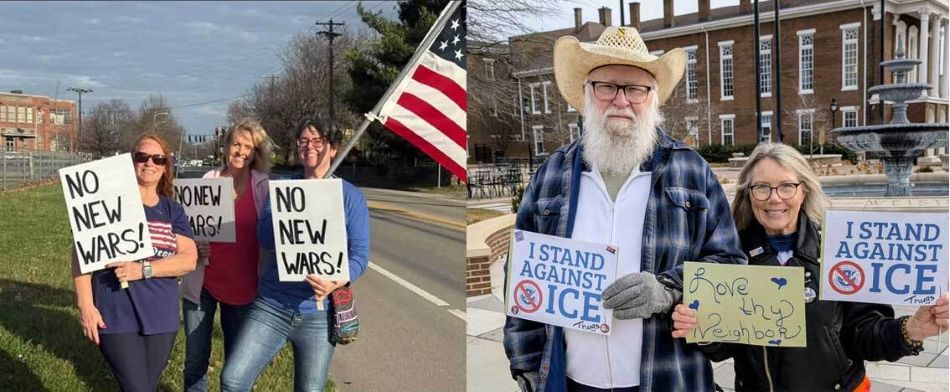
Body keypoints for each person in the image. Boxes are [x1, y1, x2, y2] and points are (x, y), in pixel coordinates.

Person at [503, 26, 746, 392]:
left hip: (669, 378)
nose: (621, 100)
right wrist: (525, 369)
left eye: (635, 88)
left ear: (653, 98)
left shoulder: (692, 171)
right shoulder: (551, 174)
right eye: (607, 86)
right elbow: (519, 278)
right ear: (586, 93)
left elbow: (730, 266)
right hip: (571, 382)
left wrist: (668, 290)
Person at [670, 143, 950, 391]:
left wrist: (912, 329)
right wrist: (701, 328)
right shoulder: (731, 255)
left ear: (803, 190)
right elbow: (723, 348)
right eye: (762, 187)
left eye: (786, 186)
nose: (774, 198)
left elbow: (865, 333)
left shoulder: (839, 249)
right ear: (749, 194)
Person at [220, 117, 370, 392]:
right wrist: (289, 208)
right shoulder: (283, 189)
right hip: (271, 305)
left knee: (310, 389)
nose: (309, 147)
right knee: (232, 379)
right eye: (303, 141)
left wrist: (336, 280)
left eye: (317, 141)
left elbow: (360, 255)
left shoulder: (350, 196)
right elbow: (263, 238)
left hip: (318, 312)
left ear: (333, 148)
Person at [72, 133, 198, 391]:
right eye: (141, 157)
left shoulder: (172, 210)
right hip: (116, 312)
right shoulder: (107, 202)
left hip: (161, 316)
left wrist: (143, 269)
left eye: (158, 158)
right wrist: (85, 306)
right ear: (130, 162)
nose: (149, 163)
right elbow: (79, 255)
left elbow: (189, 259)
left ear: (165, 168)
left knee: (144, 387)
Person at [181, 119, 272, 391]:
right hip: (203, 284)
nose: (241, 151)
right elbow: (187, 231)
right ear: (226, 146)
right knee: (196, 358)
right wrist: (195, 244)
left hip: (245, 290)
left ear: (256, 154)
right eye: (236, 144)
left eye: (249, 147)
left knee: (236, 367)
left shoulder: (265, 187)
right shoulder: (207, 181)